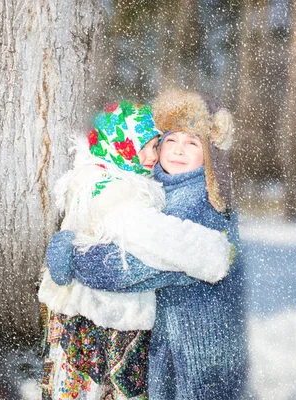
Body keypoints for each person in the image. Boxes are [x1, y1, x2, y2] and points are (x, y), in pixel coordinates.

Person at [47, 89, 249, 399]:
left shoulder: (198, 200)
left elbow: (132, 268)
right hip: (167, 336)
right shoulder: (152, 188)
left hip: (196, 342)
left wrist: (75, 258)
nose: (176, 151)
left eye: (192, 143)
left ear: (209, 151)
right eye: (168, 141)